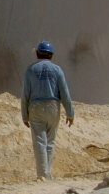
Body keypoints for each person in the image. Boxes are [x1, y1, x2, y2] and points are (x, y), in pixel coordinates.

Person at [21, 40, 74, 180]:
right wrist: (70, 113)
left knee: (39, 141)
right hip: (53, 106)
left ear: (38, 53)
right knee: (50, 141)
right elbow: (65, 93)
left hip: (35, 107)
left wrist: (24, 115)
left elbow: (25, 94)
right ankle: (48, 174)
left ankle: (42, 175)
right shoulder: (57, 70)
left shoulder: (31, 69)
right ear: (52, 55)